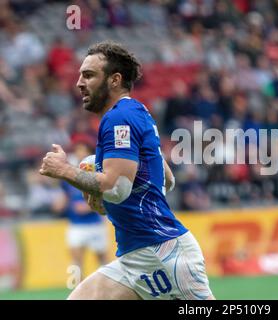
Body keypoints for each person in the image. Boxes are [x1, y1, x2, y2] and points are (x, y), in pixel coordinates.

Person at [39, 41, 214, 300]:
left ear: (114, 80)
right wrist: (106, 198)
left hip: (162, 252)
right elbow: (166, 180)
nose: (79, 82)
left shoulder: (118, 117)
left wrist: (64, 170)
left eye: (88, 75)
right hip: (137, 257)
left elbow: (116, 188)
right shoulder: (138, 112)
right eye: (80, 75)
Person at [52, 141, 109, 278]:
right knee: (76, 261)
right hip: (76, 225)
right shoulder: (70, 175)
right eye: (78, 150)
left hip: (95, 224)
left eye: (83, 150)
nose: (80, 153)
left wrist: (89, 207)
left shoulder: (98, 174)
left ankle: (105, 290)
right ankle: (77, 291)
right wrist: (60, 204)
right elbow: (65, 196)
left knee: (103, 261)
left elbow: (107, 197)